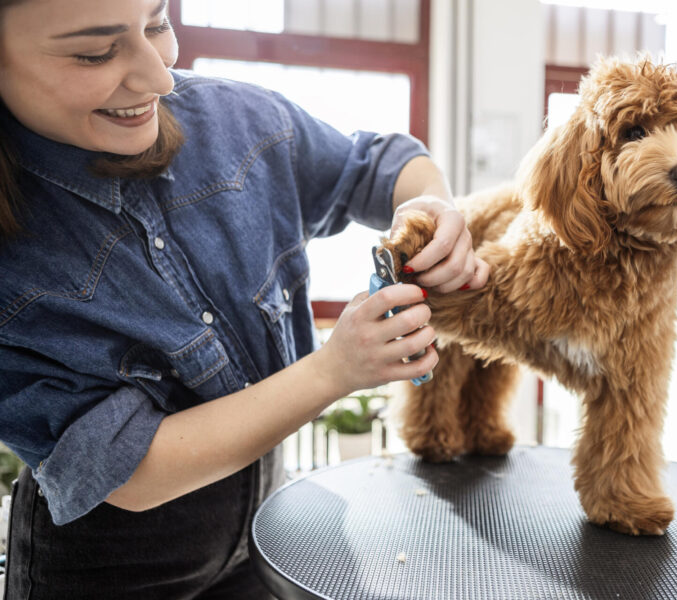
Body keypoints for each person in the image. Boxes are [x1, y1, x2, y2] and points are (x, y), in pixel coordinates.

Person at [0, 0, 488, 597]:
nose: (159, 76)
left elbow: (380, 165)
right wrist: (336, 370)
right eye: (95, 52)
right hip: (109, 568)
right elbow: (131, 474)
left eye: (157, 24)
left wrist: (429, 204)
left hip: (263, 532)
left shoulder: (241, 120)